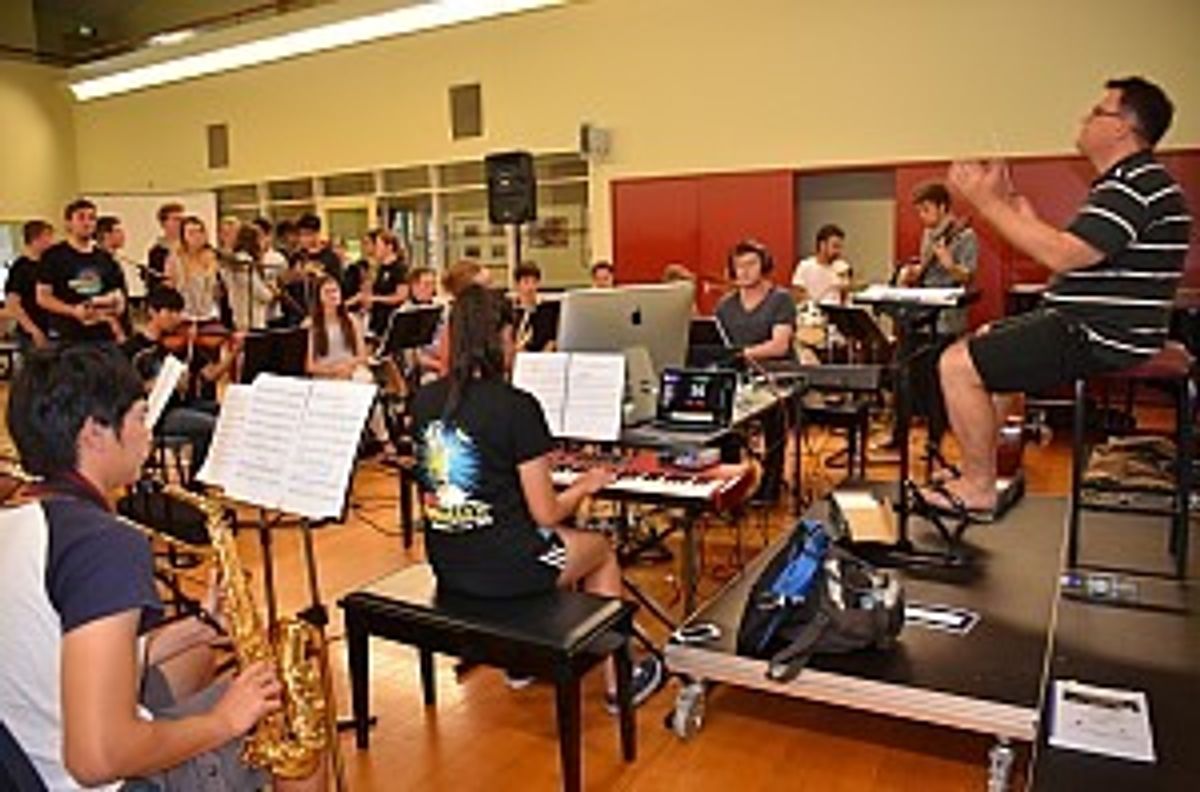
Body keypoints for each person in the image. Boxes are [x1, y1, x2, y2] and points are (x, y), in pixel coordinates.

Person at [0, 343, 325, 792]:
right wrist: (224, 721)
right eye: (139, 417)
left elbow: (68, 652)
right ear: (94, 433)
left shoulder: (19, 519)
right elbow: (97, 759)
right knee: (285, 712)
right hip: (99, 780)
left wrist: (202, 624)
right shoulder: (103, 544)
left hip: (31, 756)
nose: (148, 433)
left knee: (197, 656)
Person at [934, 76, 1190, 514]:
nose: (1085, 119)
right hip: (1091, 324)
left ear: (1121, 127)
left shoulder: (1133, 185)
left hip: (1100, 333)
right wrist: (1012, 209)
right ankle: (980, 468)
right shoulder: (1132, 182)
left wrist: (985, 202)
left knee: (956, 365)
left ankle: (977, 485)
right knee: (988, 340)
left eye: (1097, 112)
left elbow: (1061, 255)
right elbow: (1078, 255)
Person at [411, 284, 663, 707]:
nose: (517, 345)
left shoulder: (425, 399)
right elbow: (546, 514)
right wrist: (585, 485)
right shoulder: (516, 405)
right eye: (513, 336)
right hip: (507, 569)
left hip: (448, 562)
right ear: (499, 338)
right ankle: (619, 682)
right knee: (599, 549)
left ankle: (522, 662)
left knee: (552, 542)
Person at [714, 239, 797, 502]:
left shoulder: (781, 299)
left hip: (777, 377)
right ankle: (730, 484)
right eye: (739, 266)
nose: (745, 271)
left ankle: (770, 485)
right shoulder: (725, 306)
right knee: (719, 416)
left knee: (775, 417)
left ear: (764, 266)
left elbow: (779, 345)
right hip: (739, 377)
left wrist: (743, 354)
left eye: (751, 264)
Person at [121, 287, 229, 471]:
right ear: (153, 312)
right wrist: (152, 386)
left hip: (180, 405)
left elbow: (207, 376)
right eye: (170, 311)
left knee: (223, 413)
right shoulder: (132, 350)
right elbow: (123, 390)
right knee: (213, 426)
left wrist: (232, 354)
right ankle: (199, 476)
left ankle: (204, 472)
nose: (177, 318)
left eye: (179, 312)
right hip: (156, 414)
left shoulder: (174, 347)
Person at [36, 198, 128, 345]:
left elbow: (118, 296)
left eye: (91, 218)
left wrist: (107, 307)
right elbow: (43, 297)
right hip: (67, 338)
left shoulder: (105, 258)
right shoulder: (53, 256)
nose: (87, 223)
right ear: (68, 223)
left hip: (102, 337)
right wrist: (73, 311)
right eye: (81, 218)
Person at [896, 182, 979, 336]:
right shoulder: (927, 233)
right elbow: (927, 268)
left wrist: (950, 266)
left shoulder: (966, 236)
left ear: (942, 207)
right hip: (925, 310)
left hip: (949, 316)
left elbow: (968, 277)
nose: (922, 215)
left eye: (926, 210)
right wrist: (913, 272)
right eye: (919, 211)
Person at [5, 219, 54, 352]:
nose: (51, 242)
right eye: (47, 237)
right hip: (31, 333)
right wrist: (32, 330)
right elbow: (12, 303)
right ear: (35, 239)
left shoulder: (49, 266)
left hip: (53, 330)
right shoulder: (21, 268)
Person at [165, 216, 223, 323]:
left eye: (200, 231)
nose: (197, 236)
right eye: (191, 233)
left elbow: (215, 288)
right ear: (183, 236)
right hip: (183, 315)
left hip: (209, 314)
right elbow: (169, 286)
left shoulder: (212, 256)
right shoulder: (175, 258)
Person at [226, 224, 278, 331]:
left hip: (242, 318)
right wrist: (272, 292)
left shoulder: (238, 260)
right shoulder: (244, 262)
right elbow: (260, 293)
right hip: (251, 320)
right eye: (261, 239)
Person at [97, 214, 146, 312]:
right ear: (106, 235)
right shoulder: (98, 260)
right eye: (118, 231)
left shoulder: (119, 259)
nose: (123, 235)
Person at [792, 224, 852, 305]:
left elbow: (845, 299)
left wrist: (845, 284)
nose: (838, 251)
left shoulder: (842, 267)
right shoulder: (805, 266)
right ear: (822, 245)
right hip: (813, 310)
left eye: (840, 247)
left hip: (835, 310)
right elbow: (797, 294)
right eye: (835, 246)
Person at [366, 231, 410, 338]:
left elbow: (401, 296)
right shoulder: (380, 268)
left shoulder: (399, 268)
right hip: (378, 319)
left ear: (389, 247)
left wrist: (376, 299)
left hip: (391, 320)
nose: (375, 249)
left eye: (378, 246)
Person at [512, 262, 555, 352]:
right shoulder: (510, 312)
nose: (531, 287)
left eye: (534, 282)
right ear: (517, 284)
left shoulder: (547, 312)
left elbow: (551, 341)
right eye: (526, 282)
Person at [147, 201, 184, 285]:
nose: (180, 223)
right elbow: (154, 282)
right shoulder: (156, 252)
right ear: (164, 223)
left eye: (182, 220)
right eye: (176, 220)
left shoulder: (191, 247)